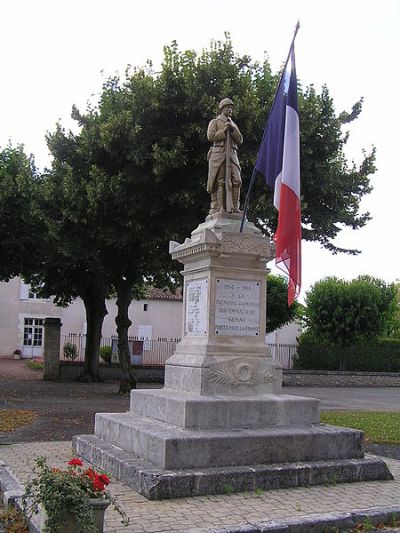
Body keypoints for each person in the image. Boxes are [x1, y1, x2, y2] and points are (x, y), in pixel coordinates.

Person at [207, 98, 243, 215]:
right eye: (228, 107)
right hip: (219, 153)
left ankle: (235, 206)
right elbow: (211, 136)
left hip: (232, 154)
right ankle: (220, 207)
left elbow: (240, 140)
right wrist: (224, 130)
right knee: (220, 181)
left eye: (231, 108)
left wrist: (232, 128)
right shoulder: (215, 122)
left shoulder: (233, 124)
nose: (230, 109)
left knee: (237, 180)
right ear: (222, 108)